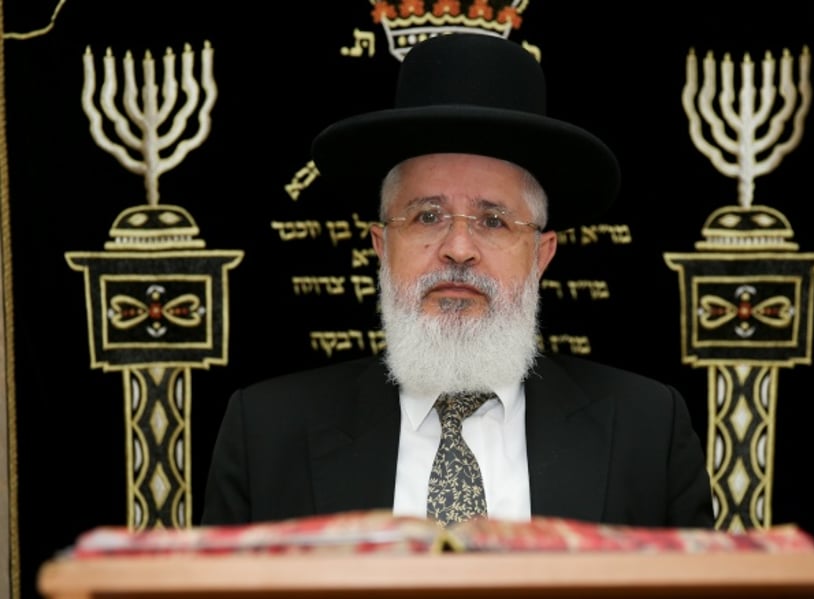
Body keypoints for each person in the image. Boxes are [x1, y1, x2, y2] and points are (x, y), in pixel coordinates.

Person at [201, 33, 714, 528]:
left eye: (494, 220)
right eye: (427, 216)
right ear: (382, 247)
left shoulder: (649, 432)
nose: (459, 248)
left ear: (541, 254)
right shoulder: (265, 434)